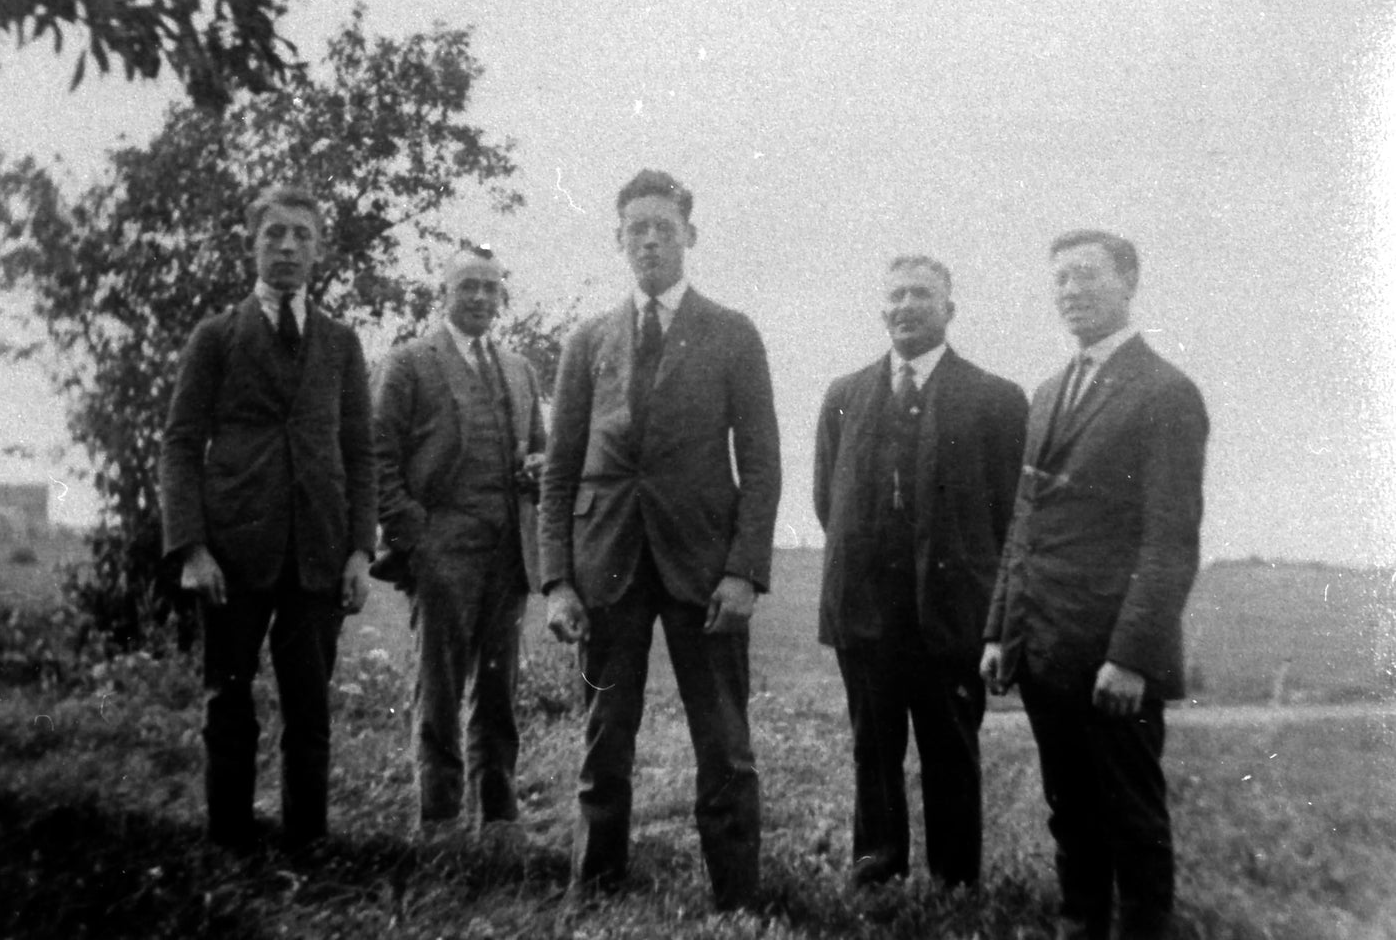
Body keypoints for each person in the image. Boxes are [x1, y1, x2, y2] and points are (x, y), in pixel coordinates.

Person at [540, 169, 782, 910]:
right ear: (618, 240)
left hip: (703, 570)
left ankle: (736, 896)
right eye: (636, 228)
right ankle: (598, 883)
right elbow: (559, 470)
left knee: (724, 742)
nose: (650, 239)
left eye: (664, 227)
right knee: (603, 733)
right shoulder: (589, 340)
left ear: (689, 236)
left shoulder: (731, 332)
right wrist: (557, 580)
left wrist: (742, 571)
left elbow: (763, 464)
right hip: (605, 566)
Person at [981, 230, 1208, 940]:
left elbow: (1169, 537)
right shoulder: (1047, 393)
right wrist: (998, 628)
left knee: (1130, 808)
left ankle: (1144, 926)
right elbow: (1025, 519)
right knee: (1068, 800)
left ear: (1129, 280)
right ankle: (1079, 919)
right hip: (1043, 640)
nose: (1070, 291)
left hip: (1113, 652)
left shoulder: (1165, 392)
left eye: (1086, 276)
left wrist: (1131, 656)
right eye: (1059, 280)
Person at [160, 184, 376, 852]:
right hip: (231, 552)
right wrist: (192, 549)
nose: (287, 246)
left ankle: (306, 840)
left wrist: (359, 551)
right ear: (250, 244)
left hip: (318, 549)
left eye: (301, 235)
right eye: (273, 234)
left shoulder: (340, 343)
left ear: (319, 249)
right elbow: (179, 442)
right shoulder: (217, 337)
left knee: (309, 705)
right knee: (228, 701)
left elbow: (359, 450)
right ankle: (229, 840)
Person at [815, 254, 1027, 891]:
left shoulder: (995, 398)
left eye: (922, 295)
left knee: (950, 750)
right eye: (896, 295)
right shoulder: (846, 395)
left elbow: (1010, 514)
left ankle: (954, 880)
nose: (907, 306)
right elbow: (830, 500)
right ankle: (877, 865)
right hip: (867, 611)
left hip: (952, 614)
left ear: (949, 309)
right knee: (873, 748)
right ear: (882, 309)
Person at [371, 246, 545, 839]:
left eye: (490, 289)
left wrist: (536, 467)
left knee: (499, 686)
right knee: (440, 686)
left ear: (502, 298)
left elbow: (540, 446)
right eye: (467, 286)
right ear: (443, 291)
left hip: (508, 552)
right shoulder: (409, 362)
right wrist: (412, 533)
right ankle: (440, 817)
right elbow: (377, 455)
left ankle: (498, 816)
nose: (479, 298)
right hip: (441, 546)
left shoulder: (520, 370)